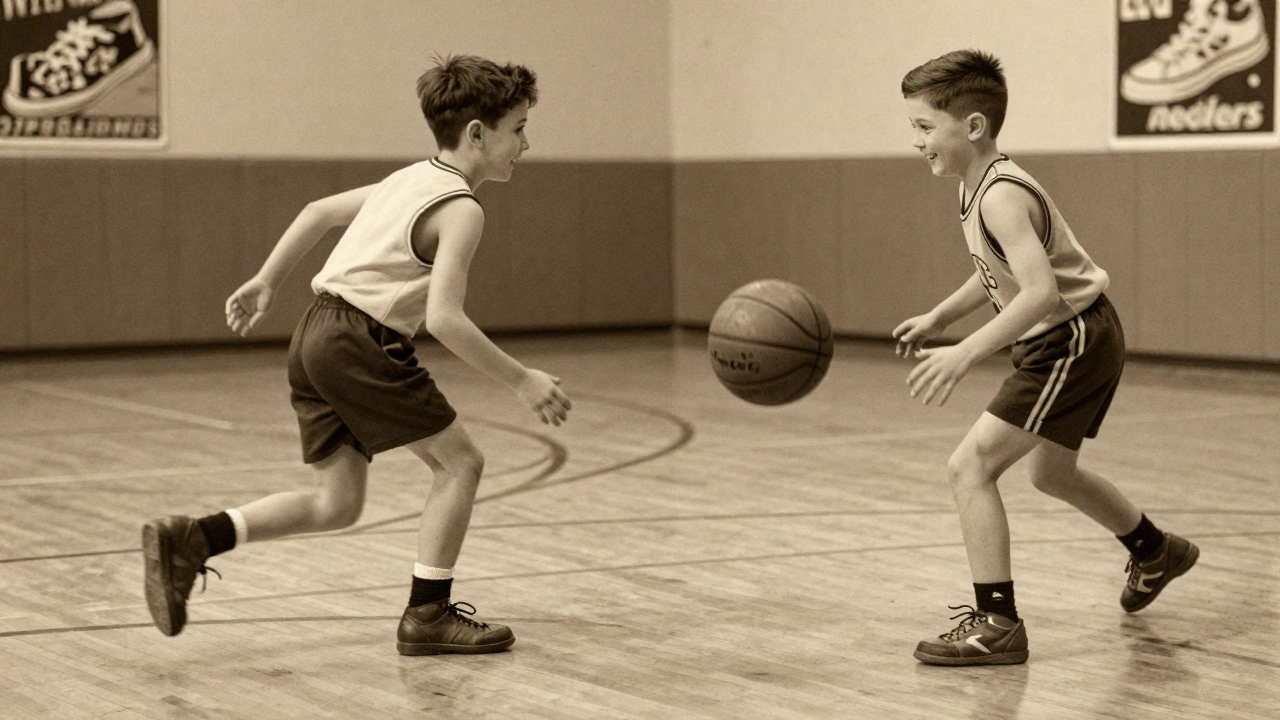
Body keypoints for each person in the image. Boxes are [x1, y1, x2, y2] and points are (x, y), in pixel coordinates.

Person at [141, 54, 571, 656]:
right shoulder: (461, 209)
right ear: (478, 133)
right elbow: (445, 319)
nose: (527, 143)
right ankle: (428, 614)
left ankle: (193, 537)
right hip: (359, 340)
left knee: (336, 503)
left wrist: (268, 280)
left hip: (314, 332)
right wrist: (521, 379)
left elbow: (316, 213)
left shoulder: (406, 180)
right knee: (461, 465)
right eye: (519, 128)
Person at [893, 49, 1197, 666]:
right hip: (1077, 334)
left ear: (972, 126)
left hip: (1071, 337)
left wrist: (966, 352)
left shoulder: (1001, 194)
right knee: (1050, 473)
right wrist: (939, 317)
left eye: (925, 127)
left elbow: (1040, 293)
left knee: (969, 466)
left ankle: (997, 622)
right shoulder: (973, 185)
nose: (915, 141)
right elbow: (996, 275)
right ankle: (1154, 548)